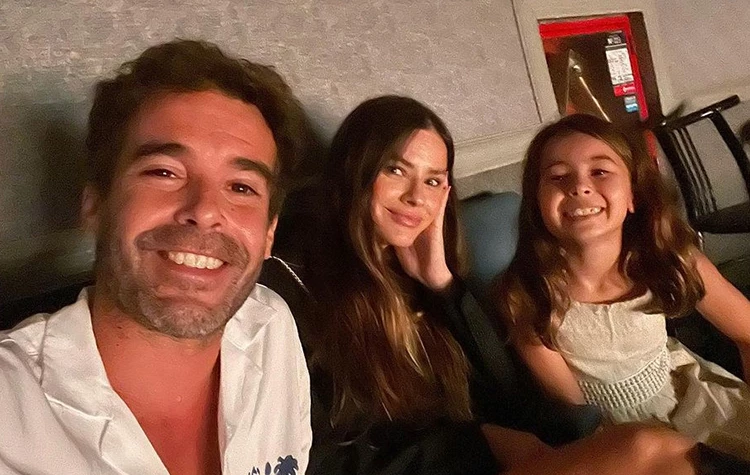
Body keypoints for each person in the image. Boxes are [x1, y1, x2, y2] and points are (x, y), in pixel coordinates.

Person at [298, 96, 711, 475]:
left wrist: (444, 285)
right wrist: (479, 444)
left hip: (489, 452)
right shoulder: (301, 289)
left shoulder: (413, 275)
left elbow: (503, 394)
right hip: (453, 462)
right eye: (396, 170)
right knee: (646, 448)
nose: (416, 197)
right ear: (356, 168)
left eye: (433, 181)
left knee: (665, 455)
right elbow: (328, 455)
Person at [0, 40, 313, 474]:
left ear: (269, 234)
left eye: (241, 187)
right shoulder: (12, 416)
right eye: (164, 172)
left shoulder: (272, 329)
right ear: (95, 205)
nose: (205, 210)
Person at [496, 113, 750, 460]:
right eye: (557, 176)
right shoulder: (525, 295)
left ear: (633, 195)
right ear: (537, 204)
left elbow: (747, 332)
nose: (579, 187)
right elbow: (576, 413)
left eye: (600, 171)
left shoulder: (671, 259)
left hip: (696, 403)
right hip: (608, 436)